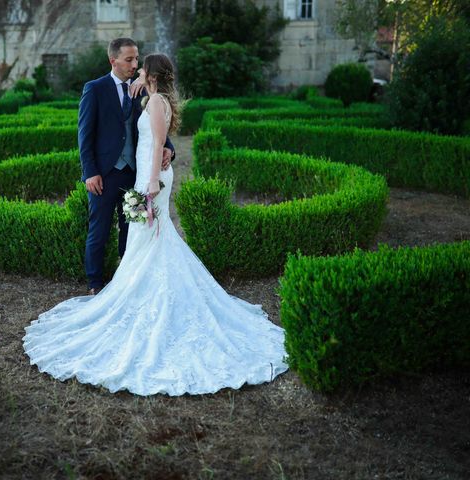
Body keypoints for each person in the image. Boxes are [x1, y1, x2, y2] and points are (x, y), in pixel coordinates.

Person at [23, 53, 288, 396]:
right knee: (144, 238)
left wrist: (150, 183)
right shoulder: (146, 97)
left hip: (151, 180)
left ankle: (144, 293)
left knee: (152, 235)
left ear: (150, 72)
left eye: (140, 64)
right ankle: (126, 288)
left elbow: (159, 142)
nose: (135, 67)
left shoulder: (157, 102)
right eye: (131, 61)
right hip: (143, 178)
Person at [78, 37, 174, 295]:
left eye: (136, 59)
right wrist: (91, 173)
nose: (135, 64)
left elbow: (160, 128)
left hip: (135, 175)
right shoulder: (95, 89)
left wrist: (170, 150)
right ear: (113, 61)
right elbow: (84, 135)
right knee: (98, 228)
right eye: (129, 59)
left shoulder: (143, 91)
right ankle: (95, 283)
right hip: (105, 175)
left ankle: (127, 279)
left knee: (132, 227)